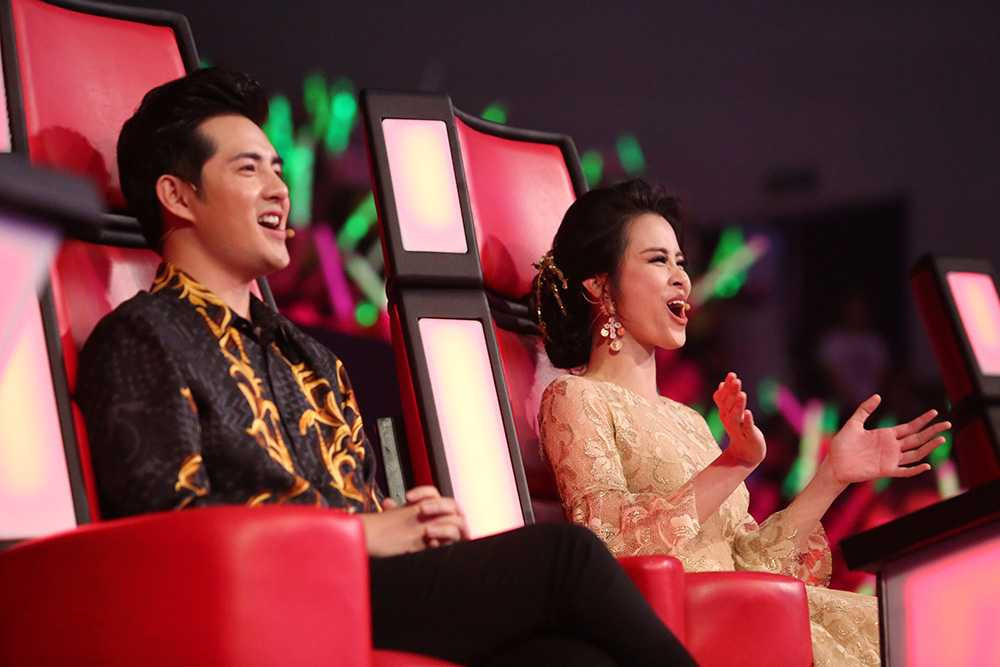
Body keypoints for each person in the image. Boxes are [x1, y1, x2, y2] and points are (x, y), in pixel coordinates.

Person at [77, 69, 695, 667]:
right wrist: (360, 535)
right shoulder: (142, 337)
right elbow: (169, 529)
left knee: (569, 658)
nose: (279, 190)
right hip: (274, 596)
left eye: (278, 169)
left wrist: (412, 522)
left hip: (364, 587)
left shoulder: (311, 359)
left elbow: (366, 504)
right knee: (567, 558)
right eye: (248, 169)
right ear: (177, 195)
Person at [533, 180, 950, 666]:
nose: (681, 278)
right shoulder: (575, 397)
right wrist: (733, 463)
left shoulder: (688, 419)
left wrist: (832, 476)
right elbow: (608, 547)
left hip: (750, 619)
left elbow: (752, 563)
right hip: (687, 637)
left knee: (927, 630)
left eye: (681, 262)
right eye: (658, 260)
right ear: (601, 286)